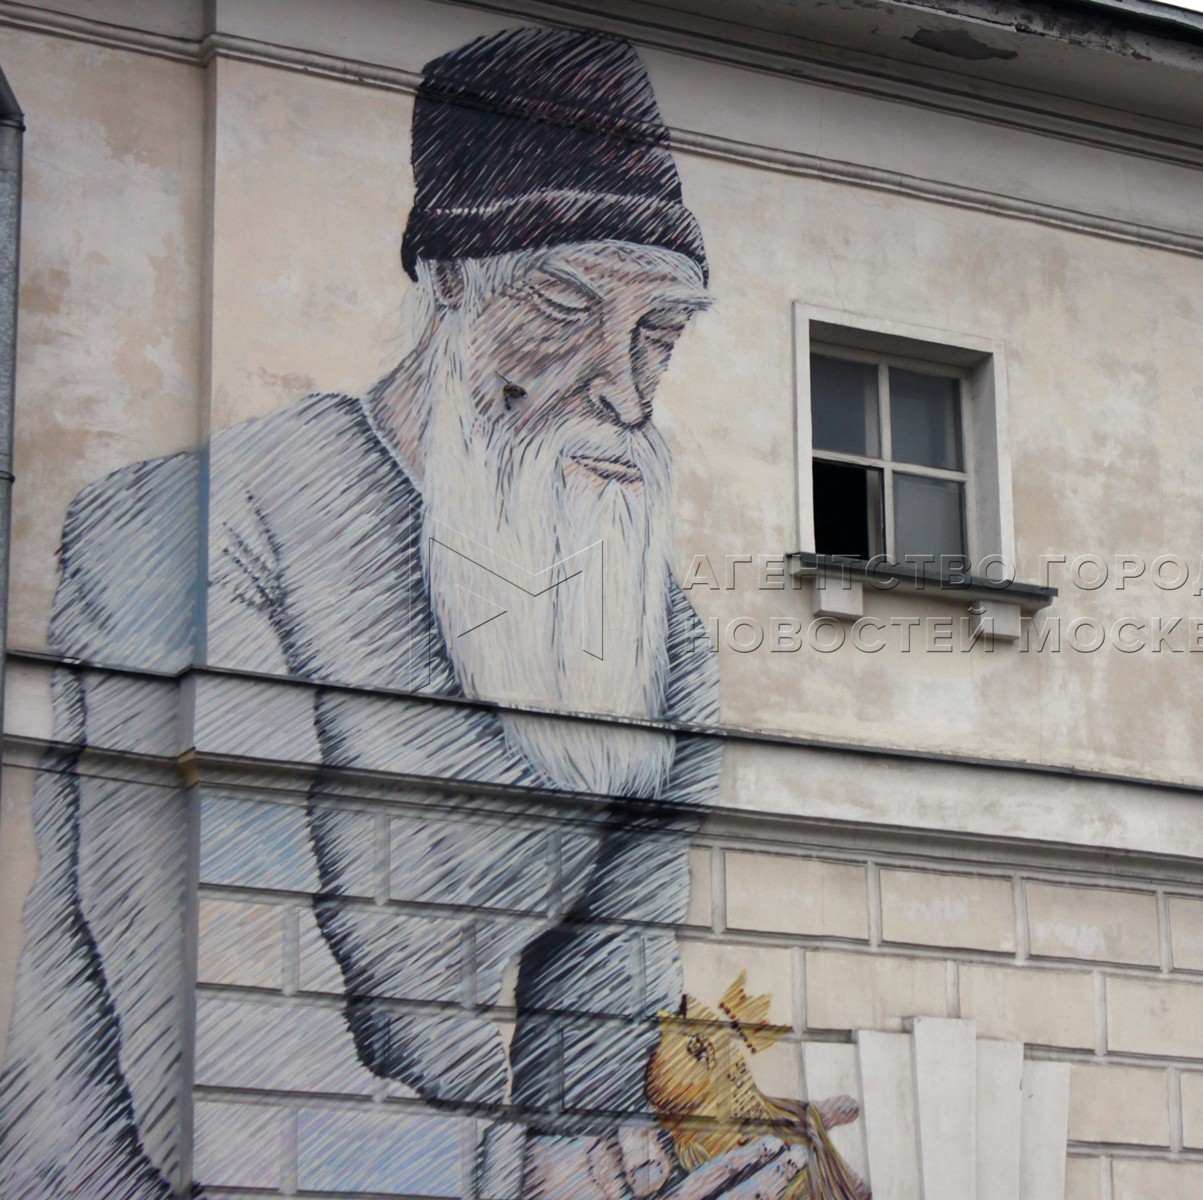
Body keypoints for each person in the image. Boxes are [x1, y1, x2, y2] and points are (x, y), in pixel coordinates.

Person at [0, 27, 843, 1200]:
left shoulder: (659, 646)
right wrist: (546, 1185)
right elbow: (224, 1078)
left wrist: (656, 1181)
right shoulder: (188, 531)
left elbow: (585, 1074)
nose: (624, 388)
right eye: (563, 304)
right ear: (446, 280)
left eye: (661, 332)